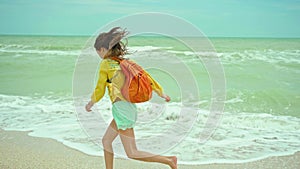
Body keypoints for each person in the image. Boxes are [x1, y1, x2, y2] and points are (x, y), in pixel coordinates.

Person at [85, 27, 177, 169]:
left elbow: (100, 89)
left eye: (98, 52)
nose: (99, 55)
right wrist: (160, 92)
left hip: (122, 109)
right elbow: (147, 77)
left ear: (103, 49)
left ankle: (169, 160)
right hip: (127, 109)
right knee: (106, 141)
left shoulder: (105, 64)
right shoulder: (124, 62)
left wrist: (91, 103)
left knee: (132, 152)